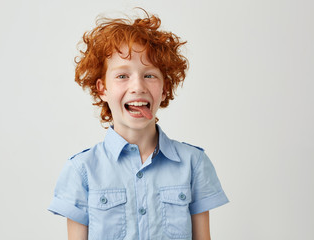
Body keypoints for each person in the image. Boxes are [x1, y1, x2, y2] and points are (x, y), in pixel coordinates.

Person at [48, 9, 229, 240]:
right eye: (122, 76)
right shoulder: (81, 170)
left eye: (149, 75)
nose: (138, 87)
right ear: (102, 89)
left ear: (164, 89)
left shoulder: (194, 163)